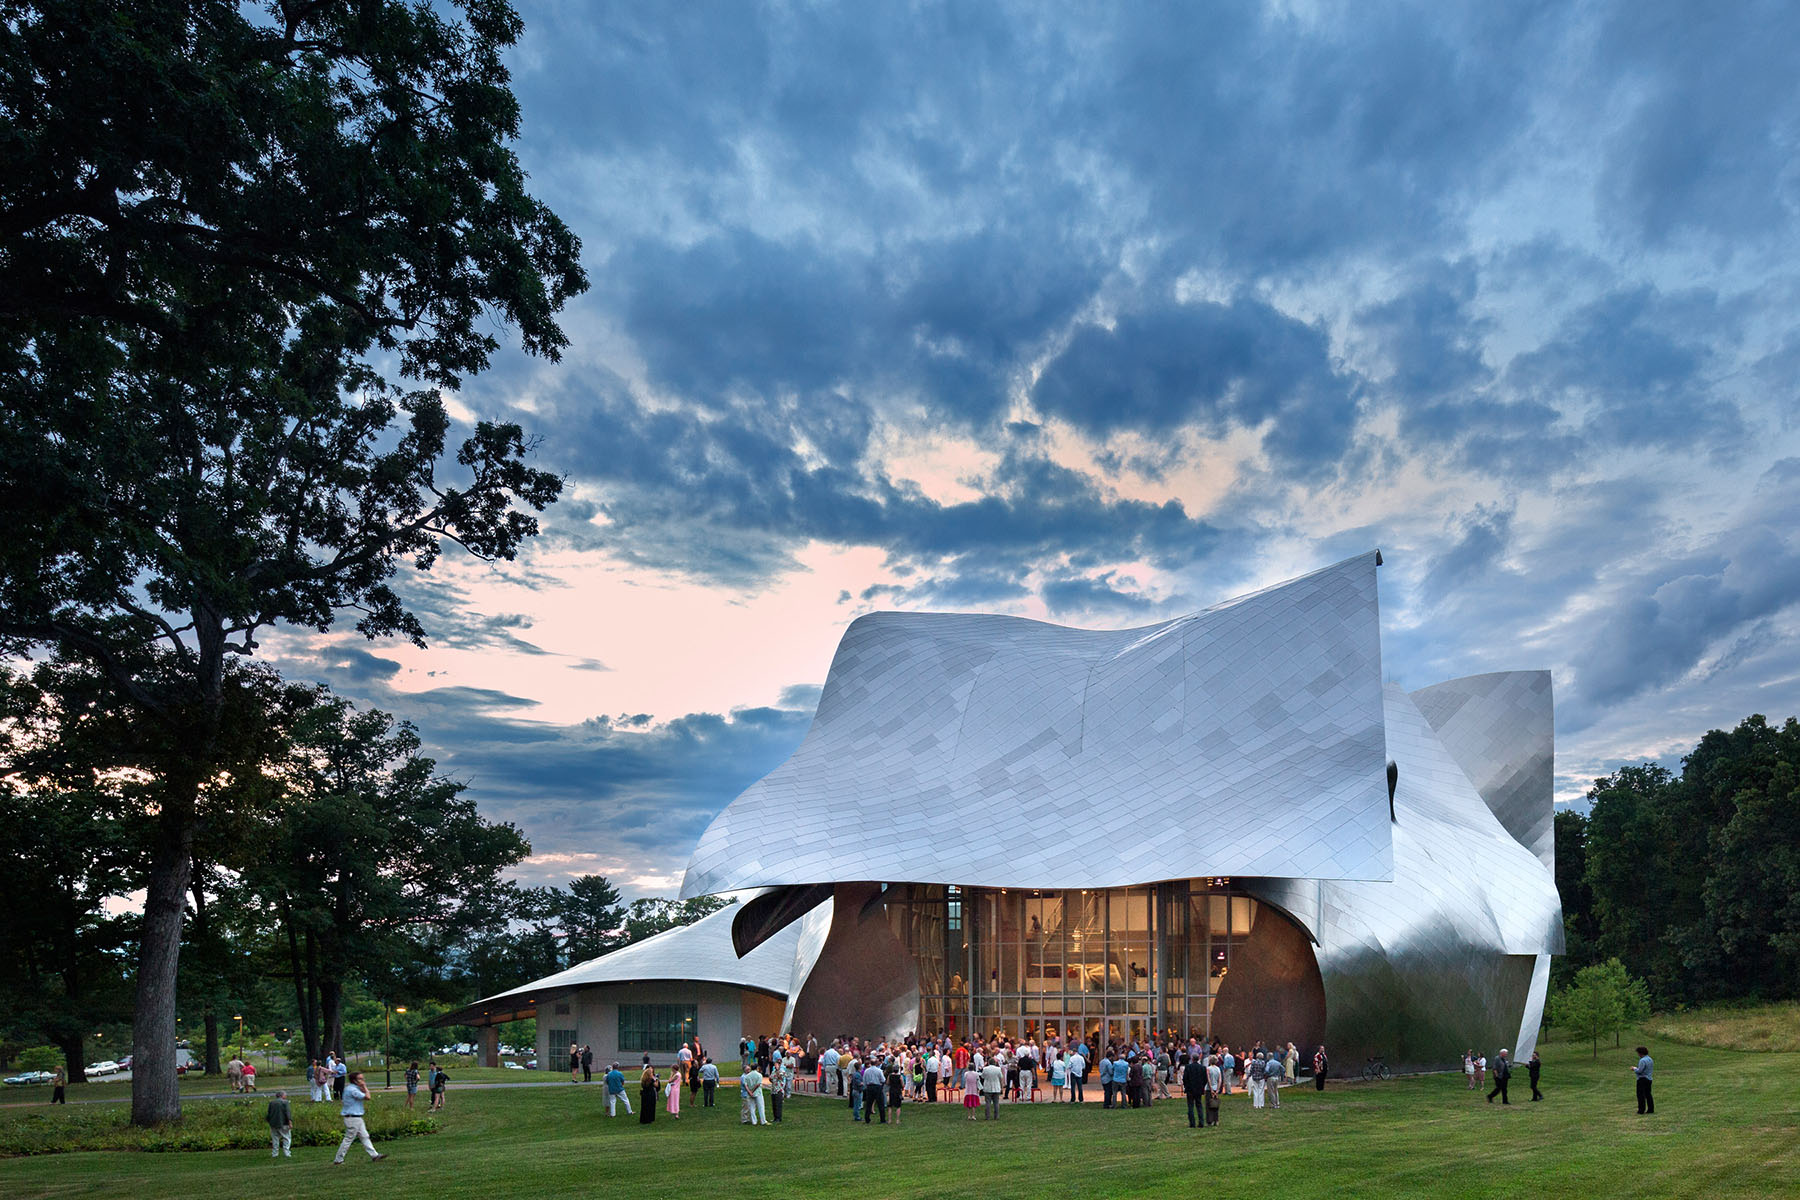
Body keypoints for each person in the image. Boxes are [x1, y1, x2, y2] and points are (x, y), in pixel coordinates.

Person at [332, 1072, 386, 1164]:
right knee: (348, 1139)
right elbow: (368, 1097)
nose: (363, 1081)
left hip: (356, 1117)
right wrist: (364, 1087)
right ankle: (338, 1159)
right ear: (354, 1080)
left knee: (365, 1136)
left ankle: (374, 1155)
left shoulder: (351, 1088)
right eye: (360, 1079)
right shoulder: (353, 1090)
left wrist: (362, 1087)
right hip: (353, 1118)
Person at [1182, 1054, 1207, 1129]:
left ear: (1192, 1059)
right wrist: (1202, 1086)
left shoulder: (1188, 1067)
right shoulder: (1202, 1068)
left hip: (1190, 1089)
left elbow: (1185, 1078)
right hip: (1199, 1089)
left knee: (1190, 1106)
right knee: (1199, 1105)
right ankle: (1201, 1122)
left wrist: (1186, 1086)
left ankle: (1192, 1123)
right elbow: (1205, 1079)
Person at [266, 1089, 293, 1159]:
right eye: (285, 1095)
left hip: (273, 1123)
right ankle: (286, 1152)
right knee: (287, 1138)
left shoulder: (272, 1102)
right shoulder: (285, 1102)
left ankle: (275, 1153)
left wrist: (269, 1121)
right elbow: (287, 1113)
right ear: (282, 1095)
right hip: (283, 1123)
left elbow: (269, 1113)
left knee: (275, 1138)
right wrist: (290, 1122)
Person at [861, 1057, 886, 1124]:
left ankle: (867, 1118)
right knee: (881, 1104)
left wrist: (866, 1087)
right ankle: (882, 1119)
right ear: (876, 1063)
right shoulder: (879, 1071)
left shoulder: (866, 1071)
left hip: (869, 1087)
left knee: (869, 1104)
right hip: (877, 1087)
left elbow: (864, 1080)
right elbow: (883, 1080)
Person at [1634, 1046, 1654, 1114]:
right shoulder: (1650, 1059)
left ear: (1641, 1053)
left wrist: (1634, 1069)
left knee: (1640, 1095)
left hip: (1642, 1079)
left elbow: (1640, 1071)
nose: (1638, 1054)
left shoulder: (1642, 1060)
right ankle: (1651, 1109)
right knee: (1648, 1094)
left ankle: (1641, 1110)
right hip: (1649, 1078)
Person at [1205, 1054, 1223, 1126]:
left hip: (1209, 1089)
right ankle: (1216, 1120)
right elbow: (1220, 1079)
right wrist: (1218, 1089)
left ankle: (1210, 1120)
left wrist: (1211, 1089)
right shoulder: (1218, 1069)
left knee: (1208, 1105)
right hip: (1216, 1088)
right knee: (1215, 1105)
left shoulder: (1208, 1068)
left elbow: (1208, 1079)